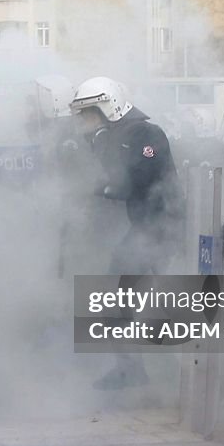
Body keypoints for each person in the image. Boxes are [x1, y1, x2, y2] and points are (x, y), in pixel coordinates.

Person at [69, 77, 183, 391]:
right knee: (137, 303)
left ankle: (206, 371)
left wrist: (101, 188)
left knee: (143, 303)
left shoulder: (144, 133)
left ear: (108, 108)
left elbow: (135, 179)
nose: (84, 122)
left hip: (161, 226)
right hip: (144, 226)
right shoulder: (116, 135)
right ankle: (136, 370)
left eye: (88, 114)